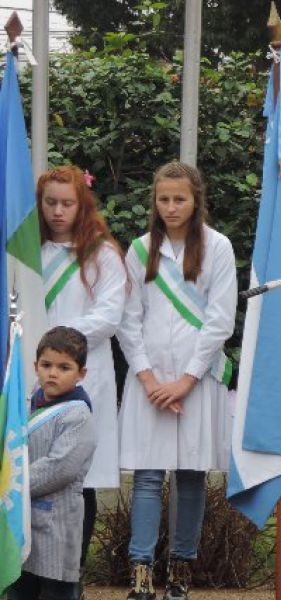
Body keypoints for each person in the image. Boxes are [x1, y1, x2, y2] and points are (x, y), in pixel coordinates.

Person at [117, 162, 237, 600]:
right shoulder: (139, 249)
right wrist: (149, 378)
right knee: (148, 477)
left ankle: (181, 571)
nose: (171, 207)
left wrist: (184, 381)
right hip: (148, 383)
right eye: (163, 199)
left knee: (190, 475)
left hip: (197, 382)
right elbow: (128, 320)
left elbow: (220, 320)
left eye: (179, 199)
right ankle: (141, 573)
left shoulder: (218, 248)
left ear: (196, 200)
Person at [36, 164, 127, 580]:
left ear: (82, 204)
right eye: (50, 202)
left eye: (67, 203)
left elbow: (109, 315)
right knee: (33, 470)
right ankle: (29, 571)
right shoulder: (25, 251)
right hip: (33, 373)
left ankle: (71, 572)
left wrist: (59, 342)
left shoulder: (102, 253)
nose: (58, 211)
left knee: (79, 474)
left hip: (83, 374)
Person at [9, 327, 97, 600]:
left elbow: (60, 467)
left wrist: (15, 483)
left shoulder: (78, 415)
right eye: (46, 365)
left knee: (56, 591)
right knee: (20, 587)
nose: (53, 373)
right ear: (36, 366)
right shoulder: (28, 403)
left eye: (64, 367)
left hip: (57, 524)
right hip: (24, 521)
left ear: (81, 373)